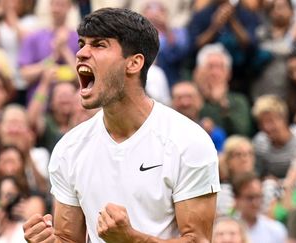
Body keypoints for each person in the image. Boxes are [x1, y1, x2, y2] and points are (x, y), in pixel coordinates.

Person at [23, 7, 220, 242]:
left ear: (134, 63)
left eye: (99, 45)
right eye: (82, 43)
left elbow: (197, 240)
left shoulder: (188, 141)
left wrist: (131, 239)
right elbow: (68, 239)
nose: (81, 53)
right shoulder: (69, 148)